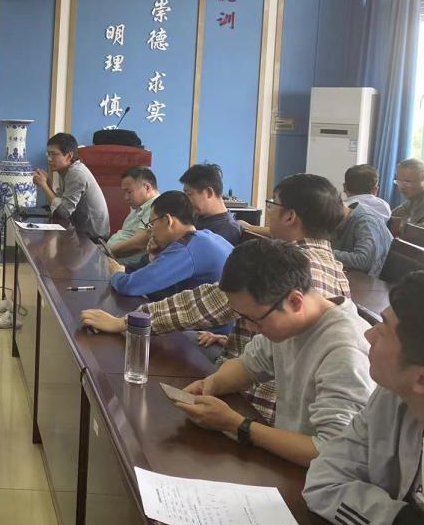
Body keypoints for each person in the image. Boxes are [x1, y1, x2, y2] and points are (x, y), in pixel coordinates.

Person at [81, 173, 349, 424]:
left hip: (257, 405)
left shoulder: (285, 264)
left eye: (272, 204)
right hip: (266, 393)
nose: (269, 211)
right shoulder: (335, 268)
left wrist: (125, 322)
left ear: (290, 216)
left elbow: (201, 304)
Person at [171, 240, 374, 468]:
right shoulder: (289, 324)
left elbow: (332, 452)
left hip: (317, 476)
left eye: (254, 319)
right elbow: (248, 365)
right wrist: (212, 384)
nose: (250, 327)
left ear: (295, 301)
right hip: (286, 460)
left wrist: (237, 425)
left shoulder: (345, 351)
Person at [304, 272, 424, 525]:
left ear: (423, 379)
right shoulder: (392, 398)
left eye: (383, 329)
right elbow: (323, 481)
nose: (368, 334)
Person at [106, 191, 233, 302]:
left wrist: (117, 273)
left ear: (168, 220)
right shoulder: (205, 236)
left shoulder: (186, 249)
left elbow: (130, 286)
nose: (151, 232)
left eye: (152, 224)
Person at [32, 132, 109, 241]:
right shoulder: (65, 170)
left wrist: (44, 186)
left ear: (69, 156)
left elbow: (63, 212)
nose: (49, 158)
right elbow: (58, 206)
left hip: (93, 238)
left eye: (54, 154)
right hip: (78, 231)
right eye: (48, 154)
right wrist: (47, 183)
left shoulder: (76, 173)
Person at [179, 163, 243, 246]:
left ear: (209, 192)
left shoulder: (228, 230)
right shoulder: (198, 217)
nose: (186, 200)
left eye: (189, 194)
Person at [106, 167, 159, 265]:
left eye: (129, 192)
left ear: (147, 188)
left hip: (125, 267)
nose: (126, 197)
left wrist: (106, 251)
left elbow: (139, 243)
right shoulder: (139, 207)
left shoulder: (155, 206)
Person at [333, 198, 392, 277]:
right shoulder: (344, 218)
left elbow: (364, 260)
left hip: (374, 279)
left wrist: (326, 253)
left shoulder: (366, 221)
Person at [392, 159, 424, 232]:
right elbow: (395, 214)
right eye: (399, 181)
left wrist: (401, 227)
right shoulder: (416, 193)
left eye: (408, 182)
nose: (401, 187)